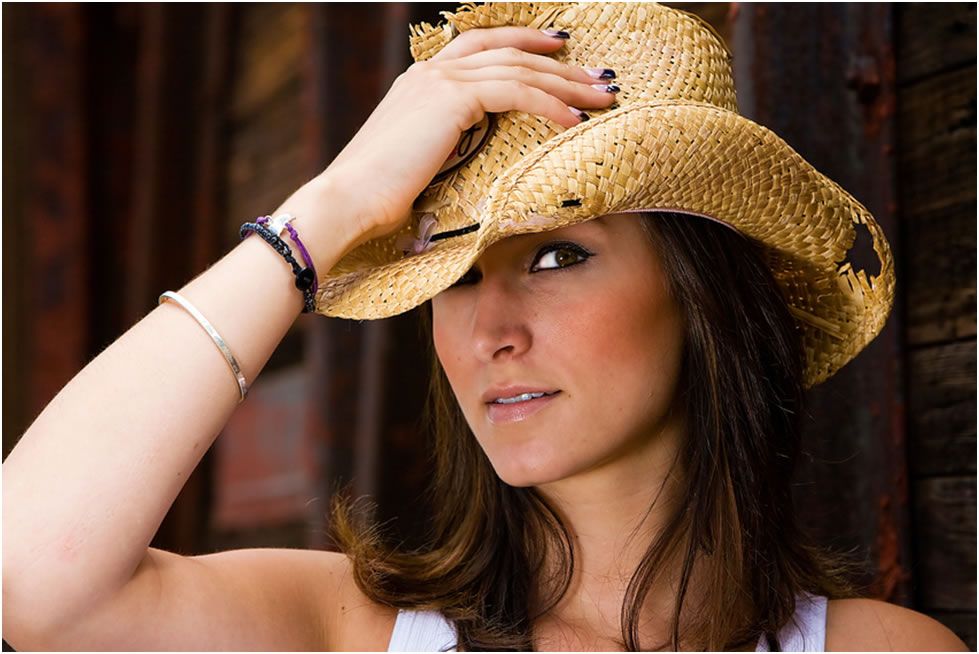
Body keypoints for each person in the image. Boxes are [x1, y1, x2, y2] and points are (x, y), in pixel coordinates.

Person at [2, 2, 969, 652]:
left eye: (556, 256)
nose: (488, 330)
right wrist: (331, 209)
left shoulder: (879, 648)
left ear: (702, 294)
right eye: (455, 274)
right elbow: (30, 582)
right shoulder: (355, 631)